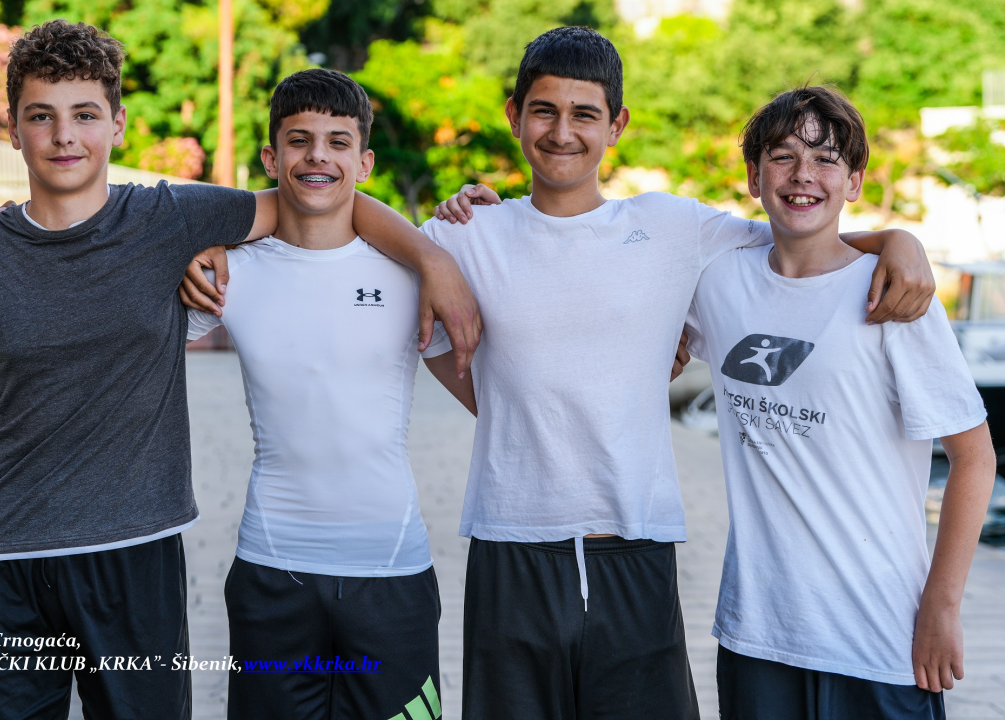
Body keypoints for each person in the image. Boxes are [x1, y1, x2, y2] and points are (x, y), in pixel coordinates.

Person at [0, 21, 479, 720]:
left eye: (84, 115)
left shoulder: (169, 217)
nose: (64, 136)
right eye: (41, 116)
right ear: (12, 127)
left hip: (136, 556)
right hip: (7, 561)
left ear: (118, 124)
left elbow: (311, 197)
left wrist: (432, 257)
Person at [392, 26, 938, 720]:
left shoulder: (674, 229)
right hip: (510, 546)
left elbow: (797, 233)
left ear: (616, 124)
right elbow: (380, 257)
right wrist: (441, 270)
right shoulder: (463, 236)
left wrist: (897, 238)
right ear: (513, 114)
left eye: (584, 114)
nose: (562, 132)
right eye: (544, 111)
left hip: (635, 548)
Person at [682, 85, 995, 719]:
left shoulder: (894, 296)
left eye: (826, 159)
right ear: (752, 176)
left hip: (881, 638)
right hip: (758, 634)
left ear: (854, 182)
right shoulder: (716, 279)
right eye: (782, 155)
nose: (803, 175)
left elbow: (974, 457)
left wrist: (941, 604)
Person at [184, 69, 475, 720]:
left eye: (338, 142)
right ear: (271, 157)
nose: (318, 155)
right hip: (271, 571)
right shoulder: (230, 270)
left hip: (391, 571)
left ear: (364, 162)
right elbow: (125, 338)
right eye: (299, 139)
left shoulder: (410, 273)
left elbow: (489, 398)